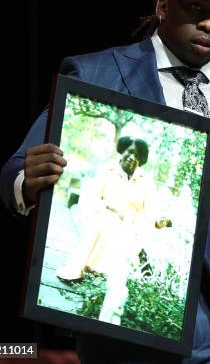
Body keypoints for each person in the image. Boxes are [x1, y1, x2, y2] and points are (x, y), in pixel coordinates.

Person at [0, 0, 210, 363]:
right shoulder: (95, 75)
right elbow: (16, 171)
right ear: (163, 6)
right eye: (194, 7)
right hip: (122, 344)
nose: (209, 23)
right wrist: (29, 182)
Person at [56, 136, 154, 325]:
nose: (132, 157)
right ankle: (82, 269)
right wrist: (111, 208)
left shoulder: (144, 181)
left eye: (138, 156)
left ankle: (104, 277)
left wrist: (133, 219)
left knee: (127, 236)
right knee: (103, 223)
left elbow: (146, 210)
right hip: (104, 214)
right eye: (130, 151)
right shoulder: (106, 170)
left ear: (141, 160)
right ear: (122, 150)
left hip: (128, 223)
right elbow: (91, 199)